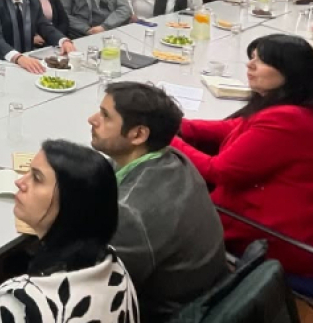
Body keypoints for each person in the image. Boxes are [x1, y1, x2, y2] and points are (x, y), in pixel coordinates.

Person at [171, 35, 313, 277]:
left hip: (281, 240)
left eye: (262, 61)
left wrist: (168, 138)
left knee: (166, 212)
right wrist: (183, 126)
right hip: (305, 223)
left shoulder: (286, 121)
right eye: (252, 58)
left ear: (289, 72)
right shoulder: (296, 106)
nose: (250, 65)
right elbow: (237, 126)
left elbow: (218, 171)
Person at [0, 140, 139, 323]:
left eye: (36, 178)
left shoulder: (25, 301)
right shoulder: (115, 268)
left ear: (71, 203)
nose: (19, 182)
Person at [89, 82, 226, 322]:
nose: (92, 119)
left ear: (138, 135)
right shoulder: (170, 156)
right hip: (203, 291)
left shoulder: (131, 214)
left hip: (159, 313)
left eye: (105, 116)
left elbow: (91, 282)